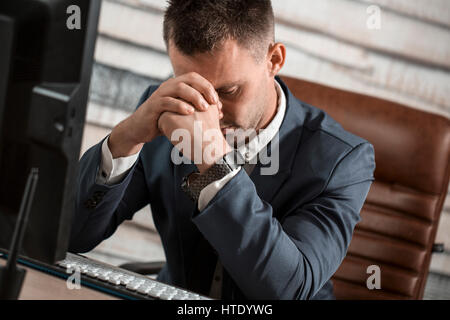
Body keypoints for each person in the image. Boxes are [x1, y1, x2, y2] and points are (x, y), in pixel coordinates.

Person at [69, 0, 375, 300]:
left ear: (274, 60)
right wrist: (123, 139)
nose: (208, 110)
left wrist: (214, 161)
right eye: (191, 84)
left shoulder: (343, 161)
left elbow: (288, 290)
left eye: (228, 91)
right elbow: (72, 236)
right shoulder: (168, 111)